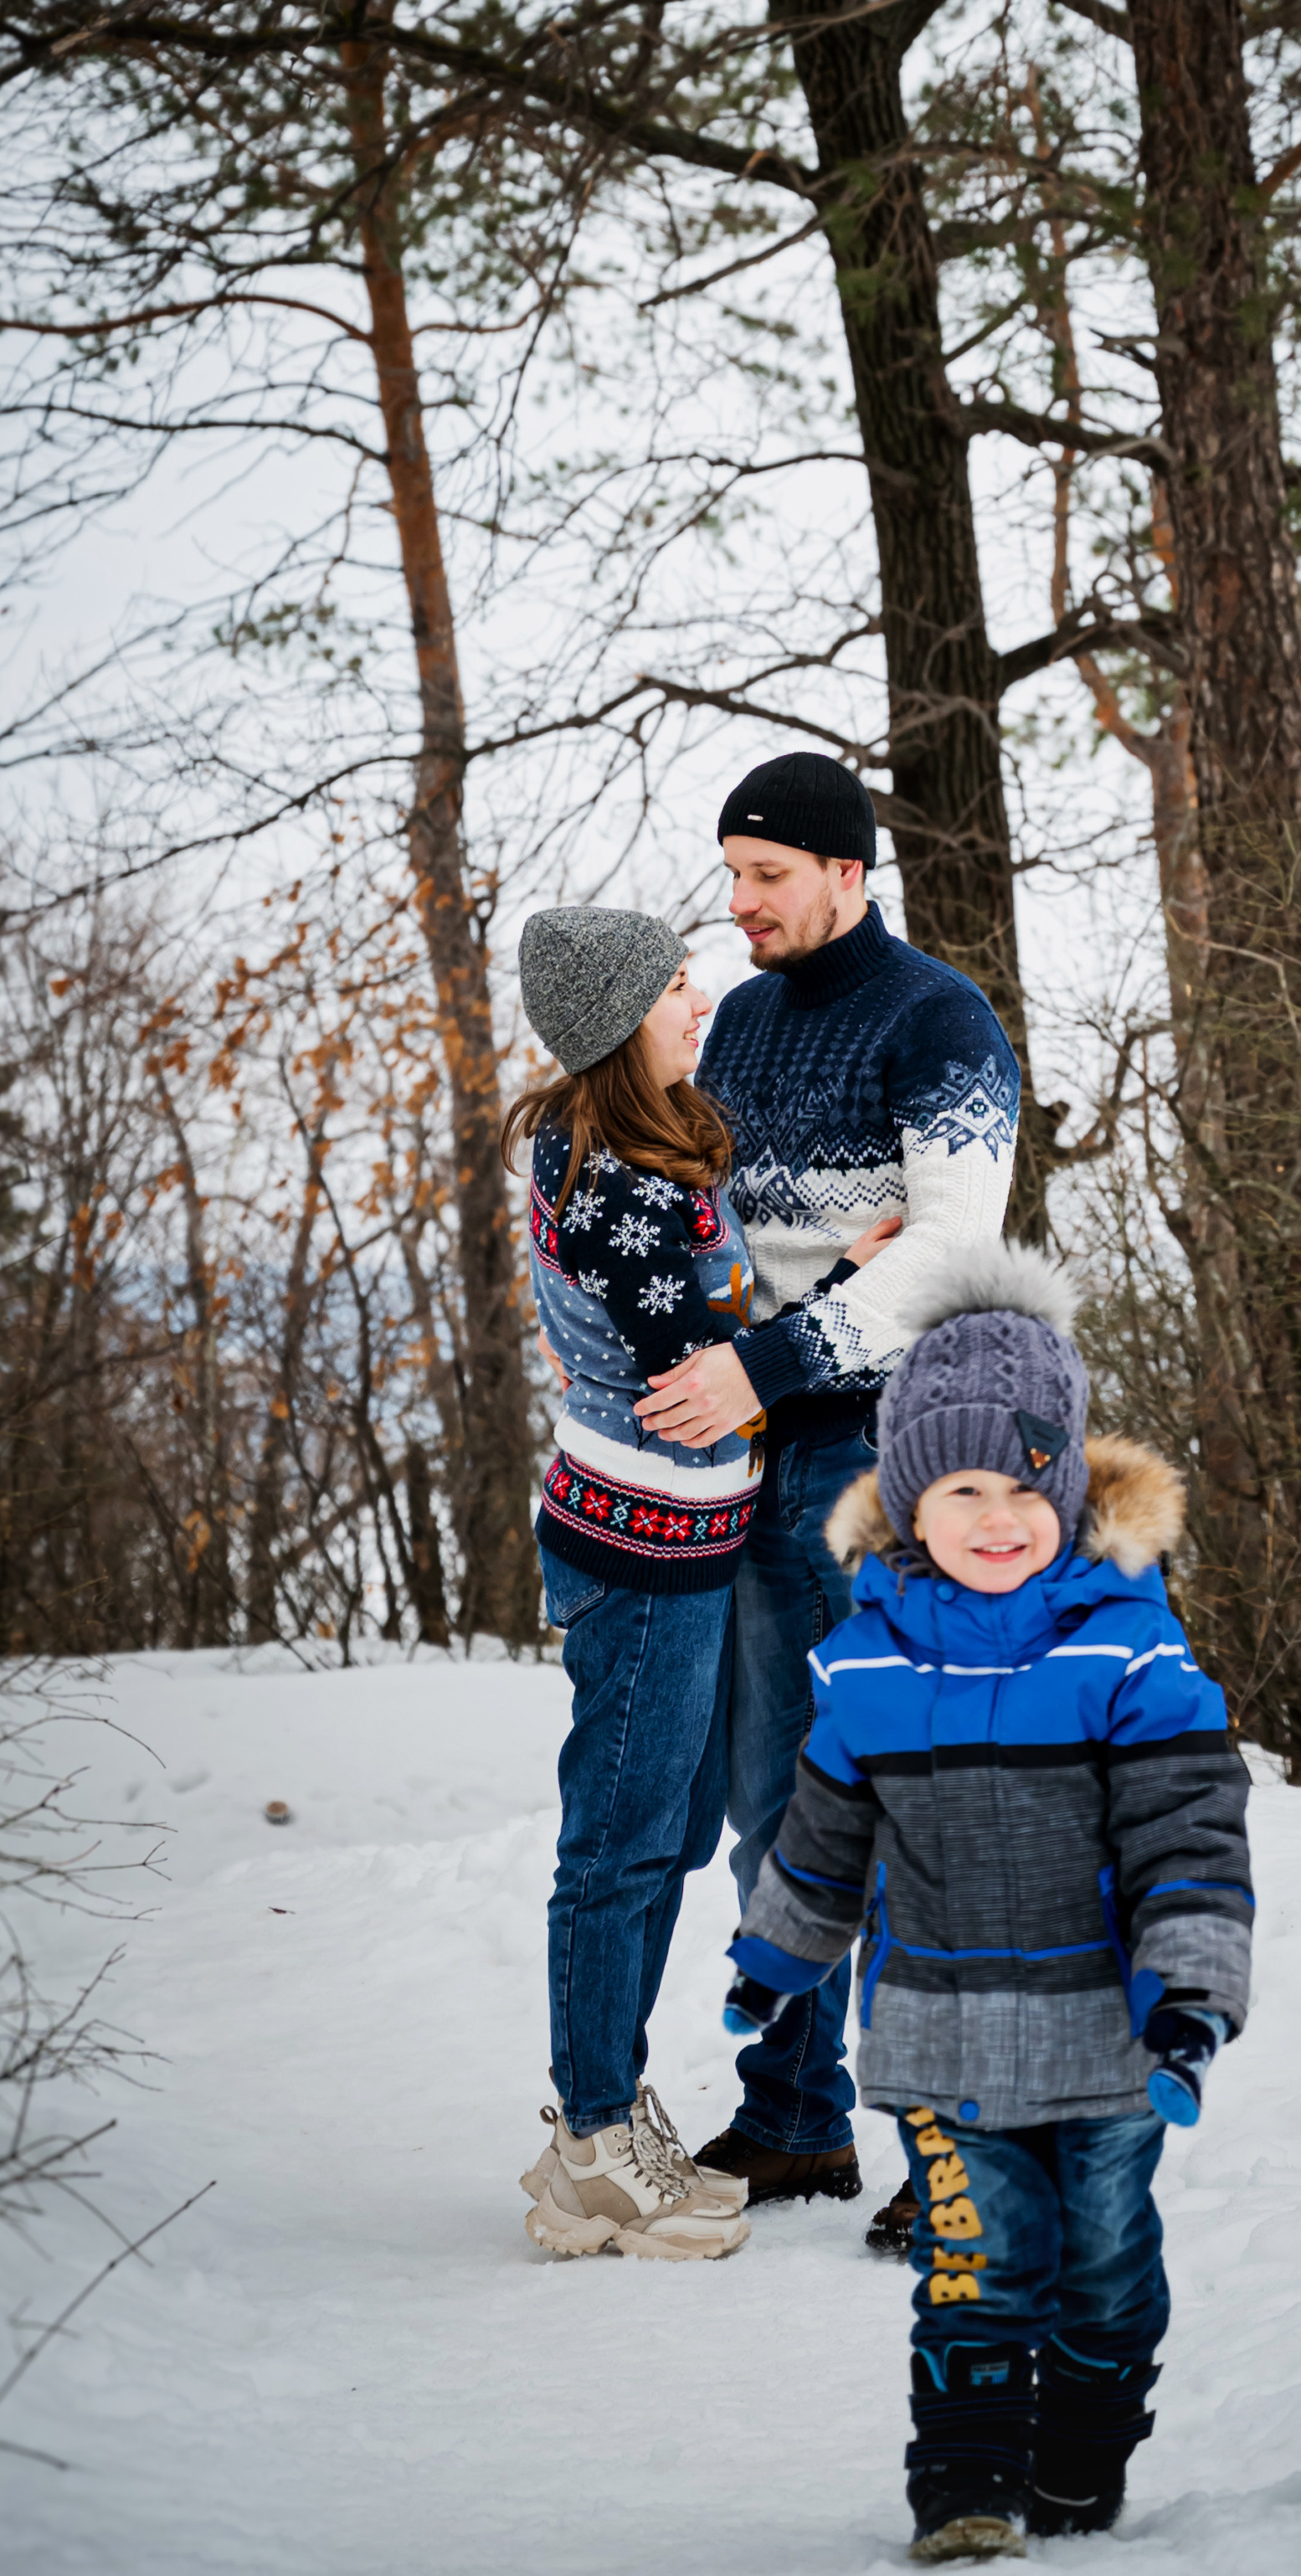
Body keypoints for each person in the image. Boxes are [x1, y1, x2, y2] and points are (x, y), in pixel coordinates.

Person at [721, 1242, 1254, 2559]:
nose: (997, 1513)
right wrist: (775, 1956)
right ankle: (962, 2488)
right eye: (962, 1485)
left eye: (1025, 1483)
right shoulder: (865, 1663)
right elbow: (824, 1834)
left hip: (1108, 2042)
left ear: (1067, 1487)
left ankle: (1077, 2461)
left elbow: (1186, 1827)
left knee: (1106, 2274)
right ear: (909, 1500)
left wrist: (1189, 1986)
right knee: (973, 2271)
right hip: (938, 2045)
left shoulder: (1128, 1645)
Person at [630, 752, 1020, 2227]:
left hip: (889, 1456)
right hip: (751, 1455)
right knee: (770, 1805)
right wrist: (765, 1304)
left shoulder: (941, 1021)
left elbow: (947, 1251)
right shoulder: (732, 1021)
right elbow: (710, 1220)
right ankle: (792, 2115)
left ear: (848, 872)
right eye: (729, 873)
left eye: (765, 875)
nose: (737, 904)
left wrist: (778, 1347)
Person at [507, 902, 897, 2262]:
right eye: (675, 985)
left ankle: (603, 2121)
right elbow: (701, 1370)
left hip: (673, 1535)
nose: (701, 997)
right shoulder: (619, 1177)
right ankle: (593, 2149)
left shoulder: (634, 1145)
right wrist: (862, 1273)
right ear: (620, 1023)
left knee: (655, 1837)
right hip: (645, 1547)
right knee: (621, 1843)